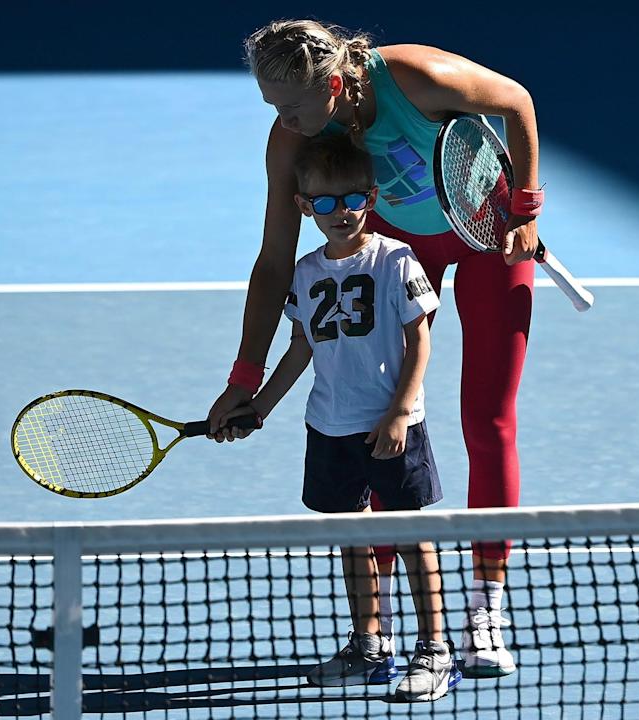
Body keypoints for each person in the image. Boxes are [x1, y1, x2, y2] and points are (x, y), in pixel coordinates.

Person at [211, 19, 540, 676]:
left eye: (294, 105)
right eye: (273, 106)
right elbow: (274, 265)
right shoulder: (290, 144)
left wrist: (527, 209)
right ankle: (377, 628)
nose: (285, 122)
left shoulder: (418, 77)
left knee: (488, 418)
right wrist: (245, 377)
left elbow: (516, 101)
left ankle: (484, 607)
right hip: (397, 248)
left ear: (335, 83)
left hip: (486, 235)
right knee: (371, 421)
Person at [224, 133, 459, 701]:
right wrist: (259, 406)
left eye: (351, 199)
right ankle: (369, 643)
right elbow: (301, 349)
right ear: (305, 206)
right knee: (351, 536)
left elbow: (420, 340)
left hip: (391, 424)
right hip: (328, 427)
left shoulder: (395, 260)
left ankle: (435, 650)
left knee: (410, 537)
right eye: (324, 202)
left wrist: (402, 410)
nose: (339, 212)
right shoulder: (304, 274)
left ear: (371, 198)